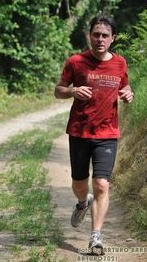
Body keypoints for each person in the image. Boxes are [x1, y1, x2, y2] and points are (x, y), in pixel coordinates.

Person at [54, 15, 134, 255]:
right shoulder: (76, 61)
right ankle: (82, 202)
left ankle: (96, 236)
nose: (100, 39)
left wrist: (128, 93)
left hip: (107, 133)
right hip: (79, 131)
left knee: (101, 183)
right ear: (90, 36)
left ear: (112, 39)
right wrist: (72, 91)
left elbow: (125, 86)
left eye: (105, 35)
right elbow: (58, 91)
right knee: (79, 183)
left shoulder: (120, 63)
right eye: (96, 34)